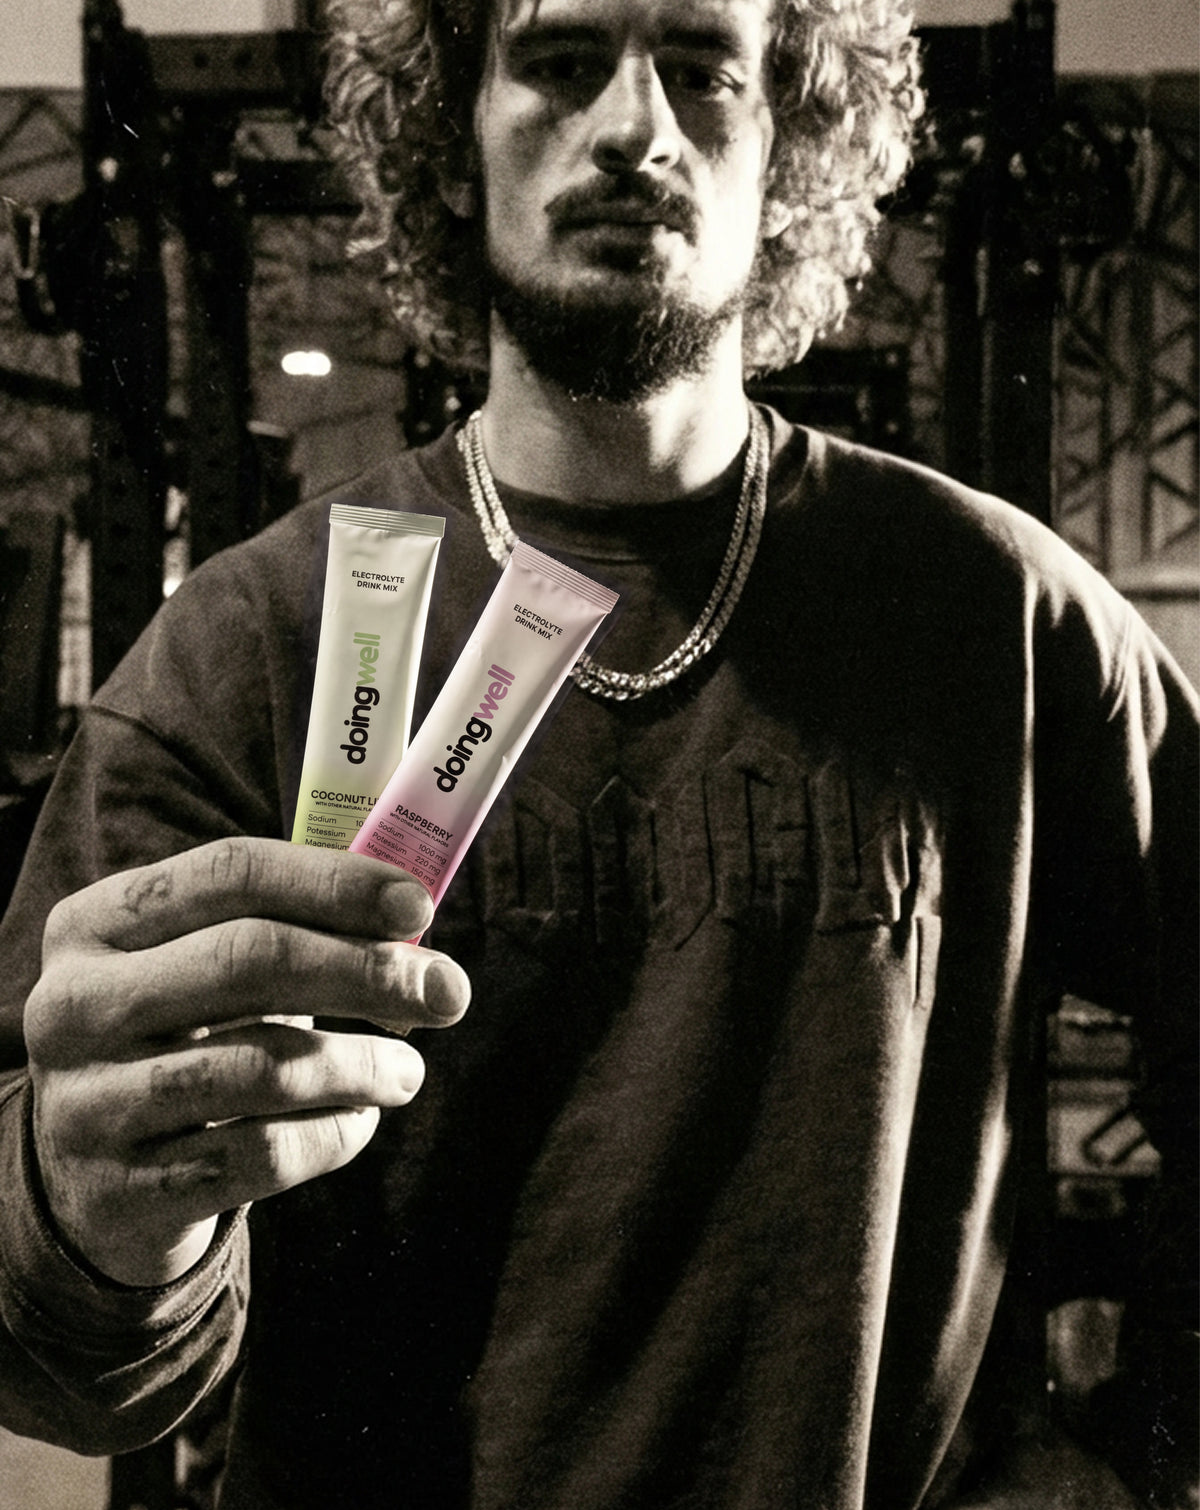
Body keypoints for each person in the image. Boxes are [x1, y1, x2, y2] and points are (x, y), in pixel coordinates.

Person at [0, 0, 1194, 1505]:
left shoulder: (1002, 621)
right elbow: (56, 1348)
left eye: (704, 71)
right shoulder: (249, 648)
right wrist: (87, 1210)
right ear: (451, 138)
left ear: (793, 144)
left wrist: (1145, 1441)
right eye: (564, 62)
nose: (636, 129)